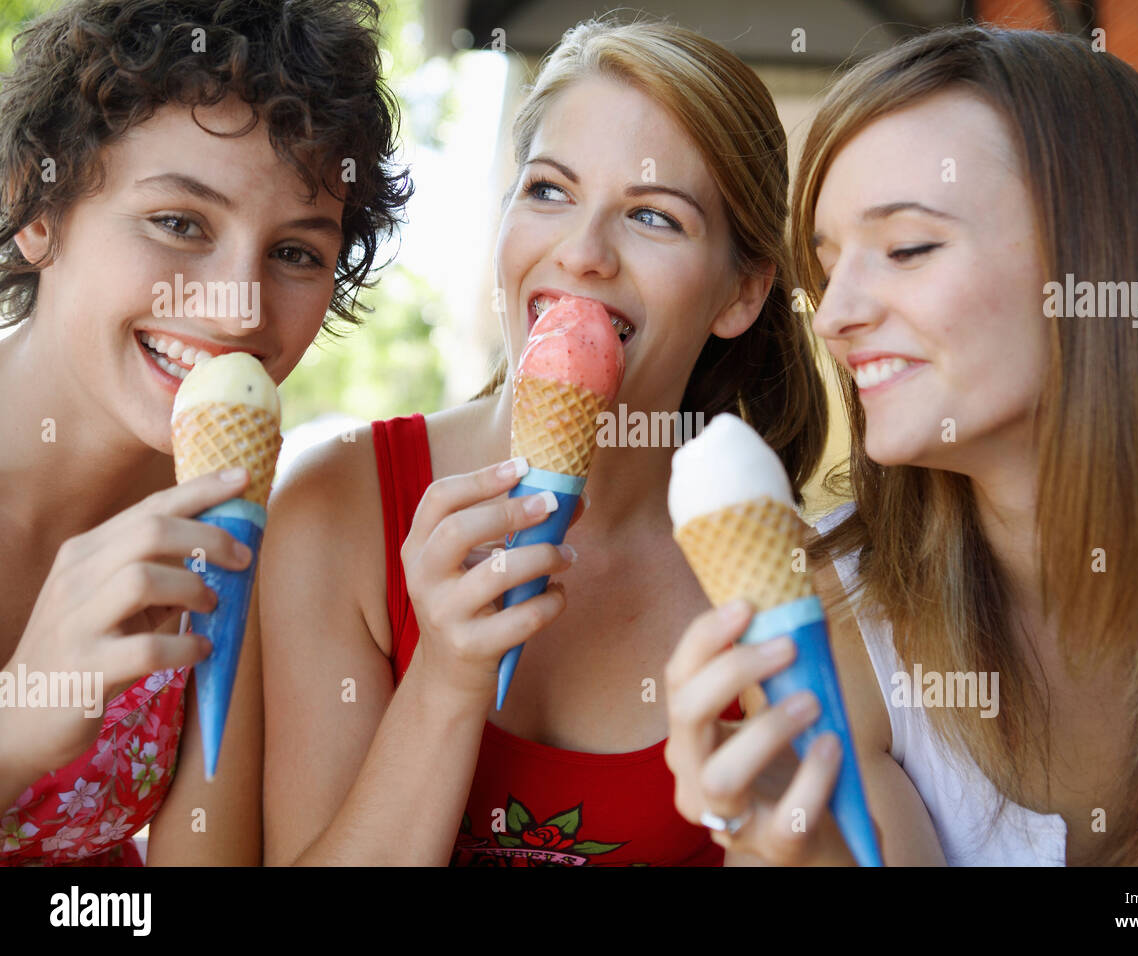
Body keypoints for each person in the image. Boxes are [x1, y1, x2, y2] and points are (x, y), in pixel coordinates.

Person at [663, 24, 1138, 866]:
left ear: (1102, 261)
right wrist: (793, 851)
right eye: (827, 264)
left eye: (907, 248)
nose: (838, 311)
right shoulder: (842, 615)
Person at [260, 17, 828, 866]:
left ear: (741, 294)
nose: (583, 252)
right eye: (549, 191)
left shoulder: (788, 583)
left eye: (655, 217)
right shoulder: (336, 508)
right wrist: (447, 676)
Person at [0, 0, 408, 865]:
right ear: (34, 208)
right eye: (179, 223)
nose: (236, 309)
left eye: (297, 252)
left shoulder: (232, 529)